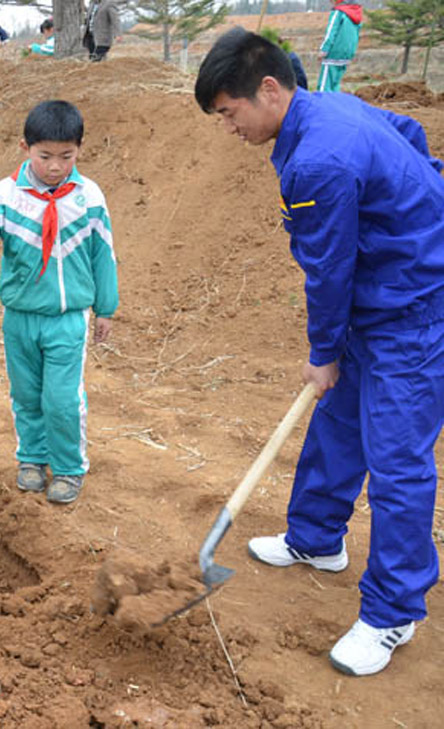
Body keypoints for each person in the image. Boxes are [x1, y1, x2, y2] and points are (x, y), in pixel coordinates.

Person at [195, 28, 444, 677]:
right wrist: (415, 204)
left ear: (268, 89)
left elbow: (327, 270)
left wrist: (323, 351)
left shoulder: (318, 162)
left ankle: (393, 611)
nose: (229, 128)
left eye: (230, 112)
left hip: (414, 310)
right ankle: (316, 539)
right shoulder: (328, 106)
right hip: (379, 295)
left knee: (397, 461)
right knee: (336, 425)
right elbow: (408, 131)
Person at [0, 100, 118, 505]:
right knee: (26, 394)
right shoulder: (7, 196)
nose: (55, 166)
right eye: (45, 156)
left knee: (61, 399)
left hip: (67, 319)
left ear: (79, 149)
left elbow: (103, 253)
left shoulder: (89, 197)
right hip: (19, 318)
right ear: (25, 147)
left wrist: (106, 308)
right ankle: (32, 458)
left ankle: (68, 468)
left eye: (66, 156)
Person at [318, 0, 361, 92]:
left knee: (325, 85)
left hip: (334, 52)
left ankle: (323, 100)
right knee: (335, 84)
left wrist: (324, 49)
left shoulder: (338, 12)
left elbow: (331, 31)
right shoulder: (356, 12)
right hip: (347, 53)